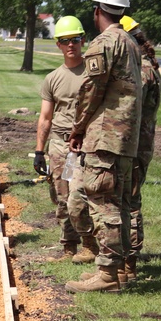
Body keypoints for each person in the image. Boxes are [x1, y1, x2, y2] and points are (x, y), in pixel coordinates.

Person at [65, 0, 143, 293]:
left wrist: (78, 128)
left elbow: (90, 90)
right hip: (126, 138)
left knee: (104, 202)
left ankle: (108, 274)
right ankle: (122, 270)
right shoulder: (131, 43)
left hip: (105, 137)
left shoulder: (104, 43)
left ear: (97, 10)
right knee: (121, 203)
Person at [33, 16, 94, 261]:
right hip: (59, 144)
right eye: (65, 41)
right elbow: (45, 117)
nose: (72, 45)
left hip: (85, 144)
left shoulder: (93, 73)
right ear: (58, 44)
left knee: (78, 197)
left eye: (76, 39)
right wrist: (39, 151)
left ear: (83, 40)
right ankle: (69, 249)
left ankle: (90, 245)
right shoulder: (52, 78)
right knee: (61, 197)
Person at [120, 15, 161, 283]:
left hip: (135, 145)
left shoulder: (143, 70)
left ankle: (129, 263)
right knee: (127, 199)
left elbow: (130, 108)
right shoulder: (143, 65)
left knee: (130, 201)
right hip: (136, 143)